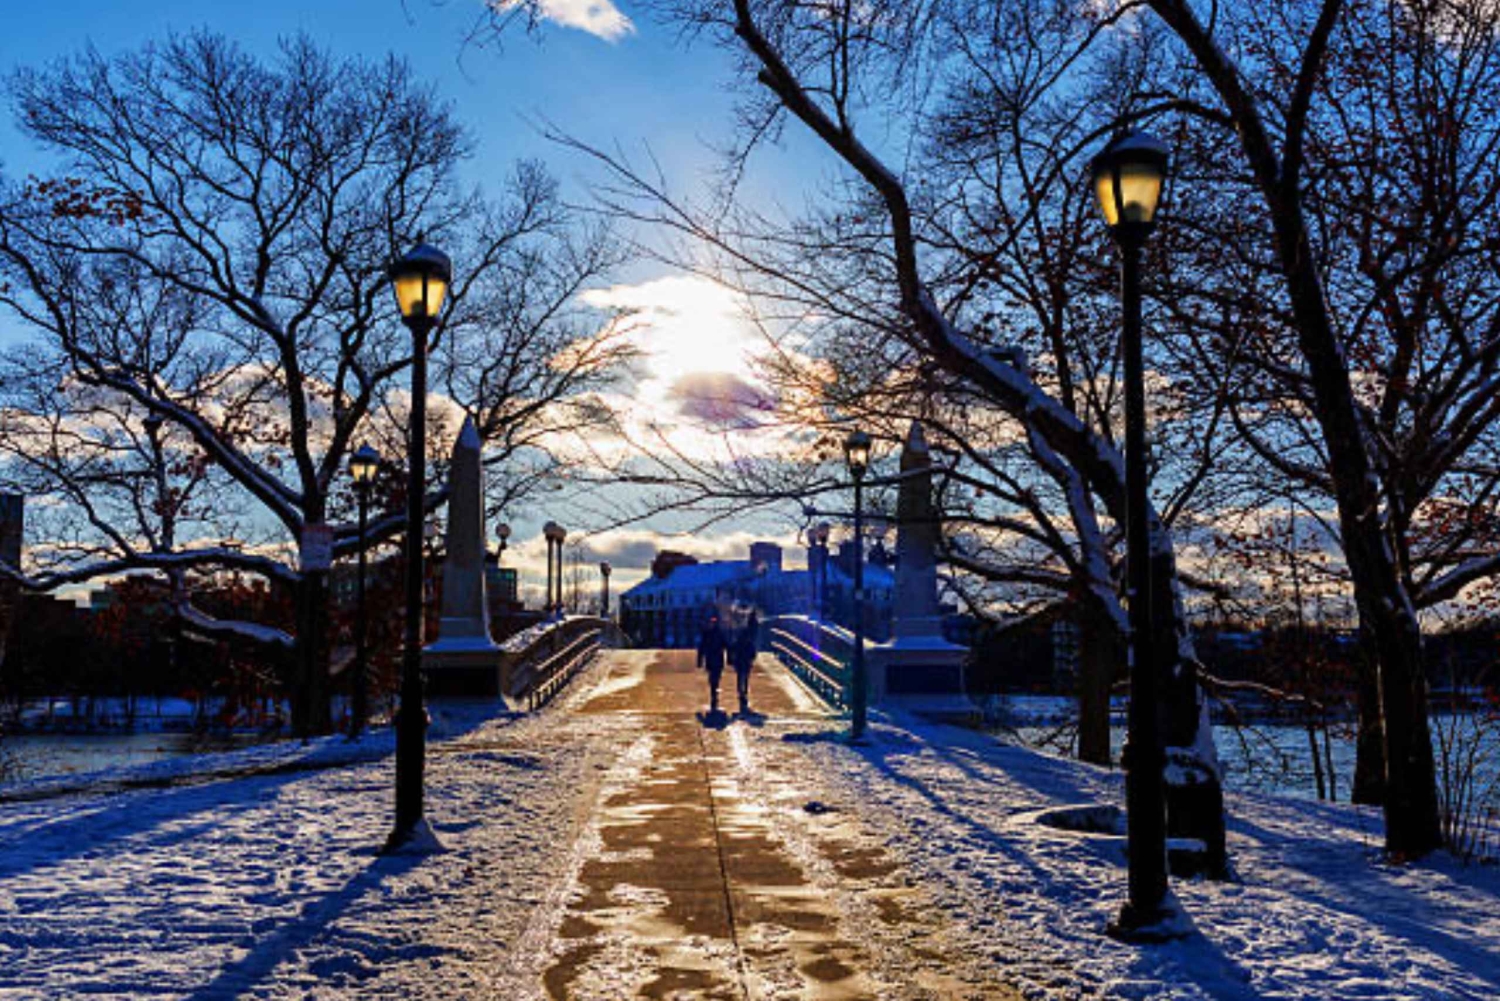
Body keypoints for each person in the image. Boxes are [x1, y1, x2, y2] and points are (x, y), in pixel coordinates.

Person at [696, 615, 728, 713]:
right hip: (716, 659)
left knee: (714, 678)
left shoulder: (708, 633)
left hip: (712, 659)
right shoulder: (719, 634)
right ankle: (714, 693)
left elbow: (701, 648)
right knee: (714, 678)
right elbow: (727, 646)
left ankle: (714, 693)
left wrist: (699, 661)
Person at [731, 611, 758, 713]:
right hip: (746, 660)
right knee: (745, 676)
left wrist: (732, 658)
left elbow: (734, 647)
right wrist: (753, 657)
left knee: (740, 676)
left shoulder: (739, 639)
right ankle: (744, 692)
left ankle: (741, 692)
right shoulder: (749, 640)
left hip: (740, 659)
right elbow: (752, 649)